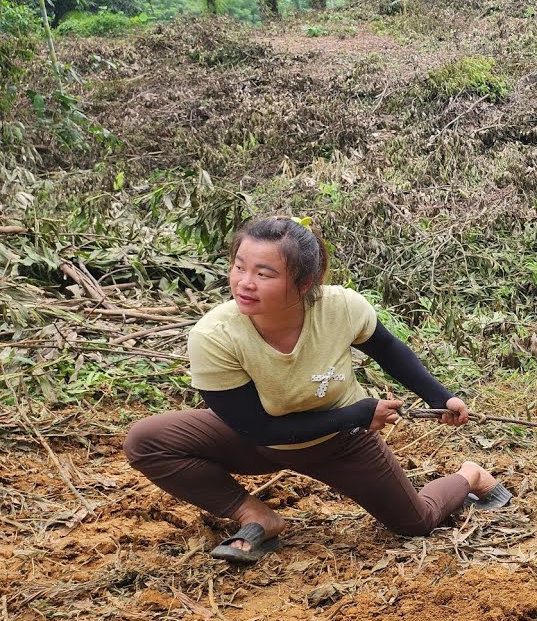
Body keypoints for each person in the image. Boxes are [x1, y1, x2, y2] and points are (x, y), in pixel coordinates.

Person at [125, 216, 511, 564]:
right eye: (239, 267)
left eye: (264, 273)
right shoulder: (215, 335)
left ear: (304, 282)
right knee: (147, 440)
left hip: (341, 442)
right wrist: (359, 414)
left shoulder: (341, 308)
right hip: (261, 436)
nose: (244, 282)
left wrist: (439, 396)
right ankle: (255, 515)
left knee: (416, 522)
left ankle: (471, 476)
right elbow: (257, 429)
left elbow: (388, 350)